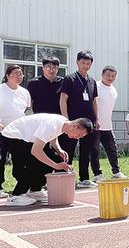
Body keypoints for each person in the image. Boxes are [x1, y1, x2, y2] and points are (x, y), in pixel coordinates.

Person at [1, 114, 92, 206]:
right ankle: (15, 196)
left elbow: (53, 136)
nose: (78, 138)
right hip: (12, 136)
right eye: (79, 135)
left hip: (24, 138)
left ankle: (35, 190)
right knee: (34, 164)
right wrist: (55, 165)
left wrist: (58, 149)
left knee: (54, 158)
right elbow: (35, 151)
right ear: (75, 126)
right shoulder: (51, 125)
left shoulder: (63, 123)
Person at [59, 50, 100, 187]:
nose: (85, 66)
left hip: (88, 122)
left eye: (88, 63)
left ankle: (84, 178)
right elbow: (63, 98)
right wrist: (65, 118)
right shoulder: (69, 79)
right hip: (73, 122)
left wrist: (96, 119)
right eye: (83, 63)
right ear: (77, 62)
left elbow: (94, 101)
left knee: (86, 150)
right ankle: (64, 176)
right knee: (68, 149)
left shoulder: (92, 81)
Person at [0, 65, 32, 199]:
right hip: (2, 130)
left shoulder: (24, 92)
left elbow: (27, 110)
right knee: (1, 159)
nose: (19, 76)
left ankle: (21, 186)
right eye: (16, 73)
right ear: (7, 75)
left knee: (20, 160)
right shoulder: (1, 90)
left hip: (18, 132)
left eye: (21, 74)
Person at [95, 66, 125, 179]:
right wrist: (95, 119)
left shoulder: (113, 90)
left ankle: (116, 172)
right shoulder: (96, 86)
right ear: (102, 75)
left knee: (112, 149)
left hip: (108, 126)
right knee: (95, 151)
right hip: (95, 125)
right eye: (108, 75)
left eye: (113, 76)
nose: (110, 78)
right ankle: (97, 174)